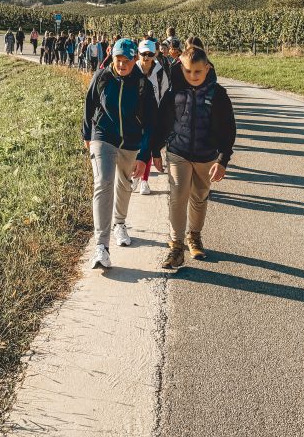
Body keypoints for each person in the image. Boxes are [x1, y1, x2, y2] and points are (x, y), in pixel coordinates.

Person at [156, 47, 236, 270]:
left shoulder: (218, 94)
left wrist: (222, 160)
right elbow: (162, 121)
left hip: (206, 155)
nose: (193, 76)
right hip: (178, 152)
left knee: (199, 197)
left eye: (198, 71)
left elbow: (228, 129)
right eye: (188, 71)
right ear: (181, 68)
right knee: (178, 196)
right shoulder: (174, 92)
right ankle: (176, 246)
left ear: (207, 68)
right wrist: (154, 150)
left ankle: (194, 236)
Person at [82, 38, 160, 269]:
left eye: (127, 60)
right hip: (103, 135)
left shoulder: (143, 85)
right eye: (118, 59)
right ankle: (101, 247)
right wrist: (87, 135)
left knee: (125, 184)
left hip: (131, 141)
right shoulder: (102, 77)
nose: (122, 64)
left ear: (135, 59)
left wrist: (144, 156)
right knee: (103, 182)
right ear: (113, 58)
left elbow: (151, 123)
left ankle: (120, 223)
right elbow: (89, 104)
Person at [135, 38, 171, 195]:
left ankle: (144, 180)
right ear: (138, 54)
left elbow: (164, 94)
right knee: (135, 147)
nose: (146, 57)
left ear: (155, 54)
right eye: (143, 54)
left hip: (152, 114)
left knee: (148, 146)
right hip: (134, 114)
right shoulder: (133, 69)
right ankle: (135, 175)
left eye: (150, 54)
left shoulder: (160, 73)